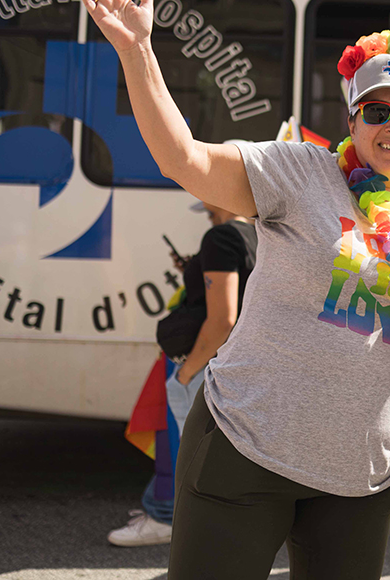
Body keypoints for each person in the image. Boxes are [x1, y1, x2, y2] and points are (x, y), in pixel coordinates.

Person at [73, 0, 390, 579]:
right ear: (352, 118)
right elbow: (184, 159)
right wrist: (137, 51)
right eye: (376, 111)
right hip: (246, 452)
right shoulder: (299, 173)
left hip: (360, 483)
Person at [108, 200, 257, 547]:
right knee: (218, 449)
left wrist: (186, 372)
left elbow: (223, 317)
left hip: (205, 359)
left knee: (179, 444)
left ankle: (164, 516)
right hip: (235, 359)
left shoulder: (220, 237)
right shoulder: (255, 234)